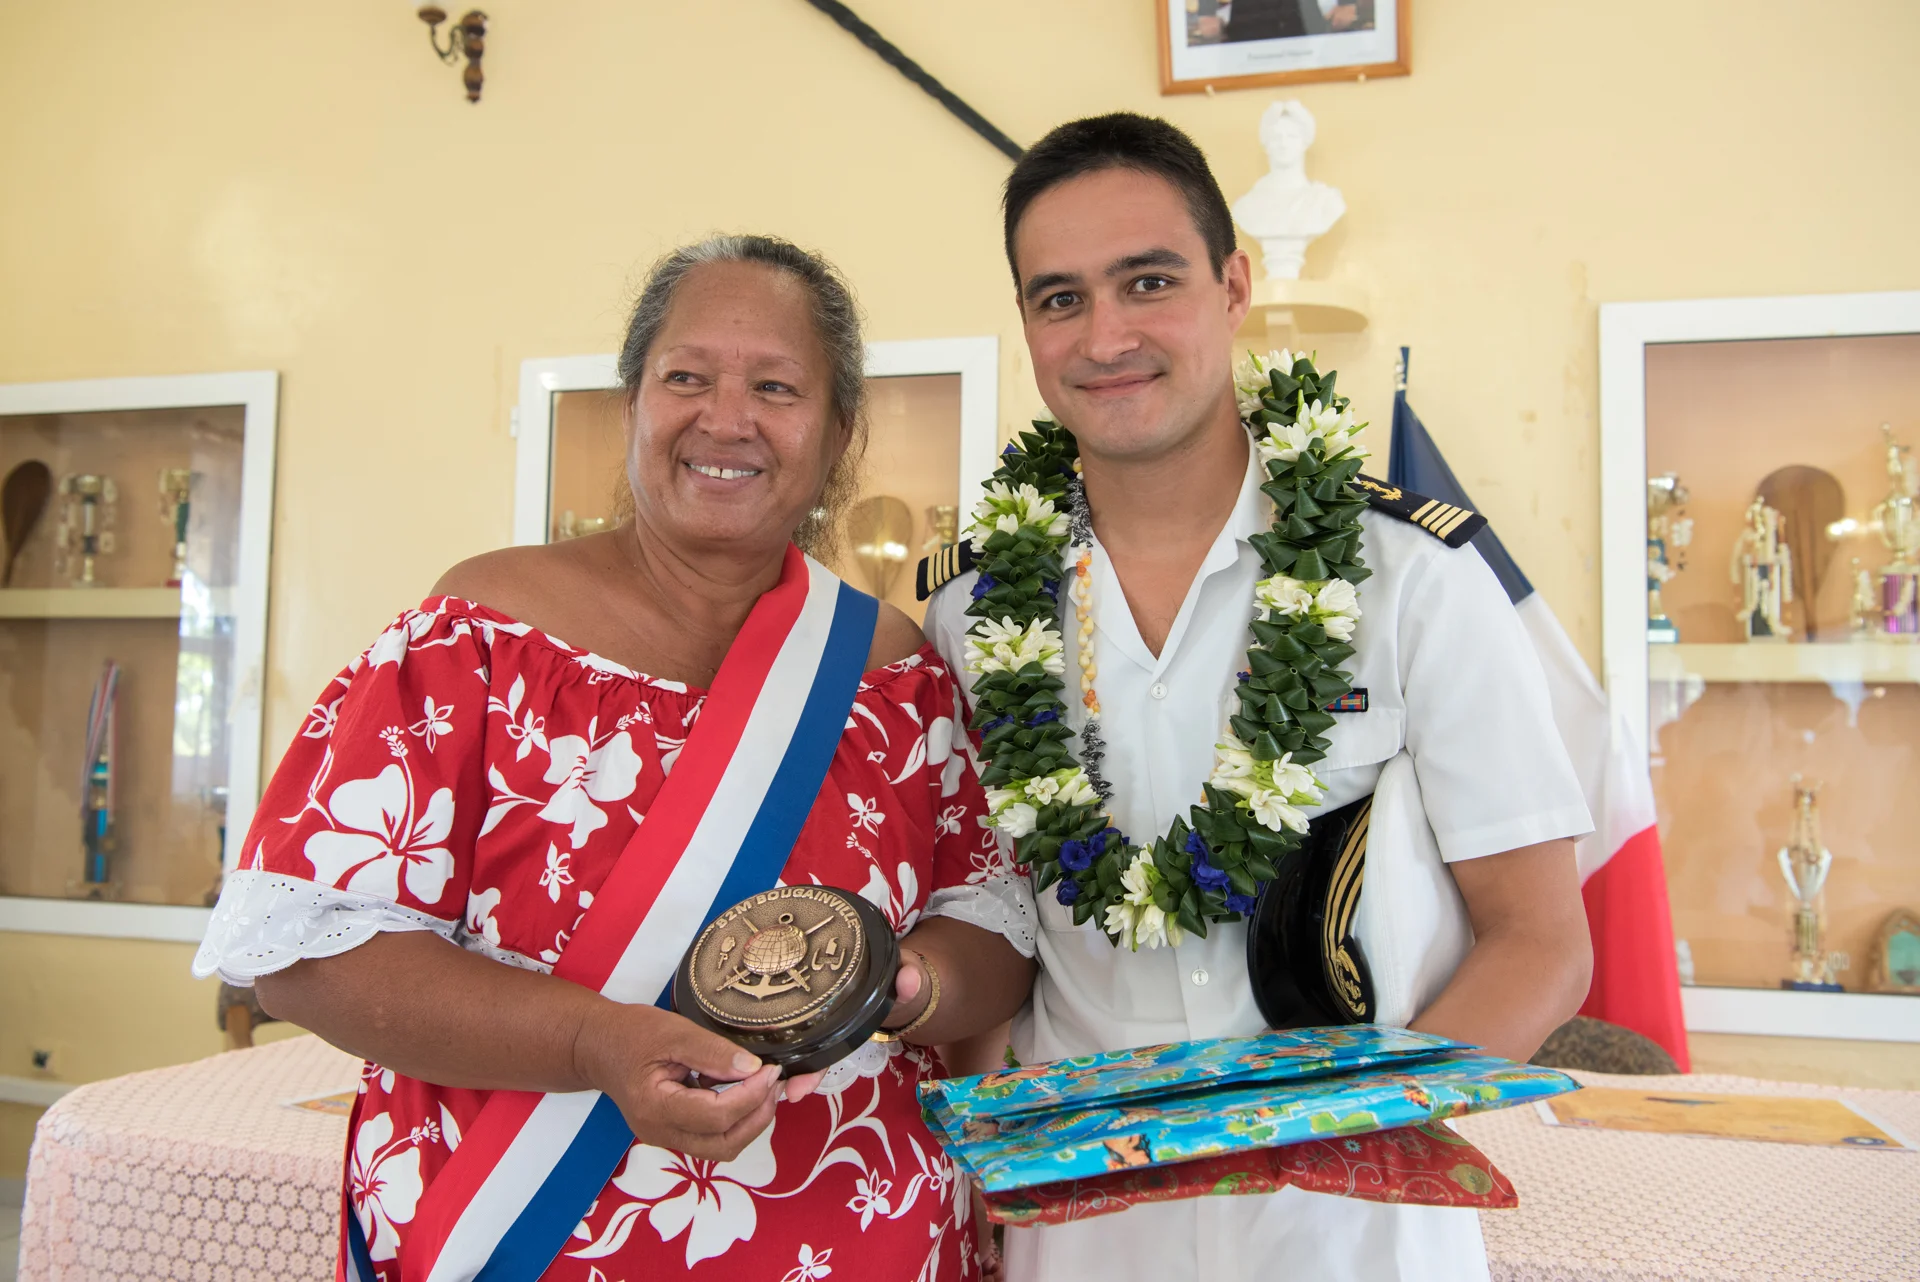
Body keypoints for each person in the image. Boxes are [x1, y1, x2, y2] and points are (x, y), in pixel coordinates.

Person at [194, 234, 1037, 1281]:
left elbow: (993, 931)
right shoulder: (477, 636)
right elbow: (309, 954)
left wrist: (897, 985)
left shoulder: (898, 677)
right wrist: (597, 1044)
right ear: (632, 402)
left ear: (838, 431)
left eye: (776, 387)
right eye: (686, 377)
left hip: (856, 1234)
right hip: (524, 1233)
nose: (725, 419)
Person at [922, 114, 1594, 1282]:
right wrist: (979, 1165)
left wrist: (1341, 1137)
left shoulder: (1414, 578)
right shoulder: (968, 612)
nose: (1107, 335)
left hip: (1350, 1230)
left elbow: (1540, 939)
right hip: (1078, 1230)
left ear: (1233, 286)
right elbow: (981, 919)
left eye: (1149, 281)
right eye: (1060, 298)